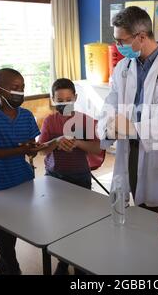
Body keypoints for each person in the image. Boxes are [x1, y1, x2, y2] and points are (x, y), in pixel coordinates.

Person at [97, 6, 158, 212]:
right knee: (139, 211)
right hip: (130, 152)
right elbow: (110, 103)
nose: (117, 45)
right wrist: (108, 126)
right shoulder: (123, 67)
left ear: (140, 37)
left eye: (121, 40)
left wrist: (134, 128)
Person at [0, 68, 45, 275]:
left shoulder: (26, 115)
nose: (20, 92)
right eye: (15, 88)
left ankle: (4, 270)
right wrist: (21, 149)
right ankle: (12, 269)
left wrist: (34, 149)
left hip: (22, 180)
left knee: (14, 228)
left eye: (22, 88)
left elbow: (30, 148)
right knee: (3, 236)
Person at [38, 78, 102, 275]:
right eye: (60, 100)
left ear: (75, 98)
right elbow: (41, 150)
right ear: (53, 100)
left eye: (68, 99)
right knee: (59, 223)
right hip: (54, 178)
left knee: (80, 223)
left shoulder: (84, 121)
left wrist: (78, 143)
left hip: (80, 177)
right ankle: (63, 260)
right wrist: (57, 141)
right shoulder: (50, 121)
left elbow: (97, 147)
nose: (64, 103)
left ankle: (80, 260)